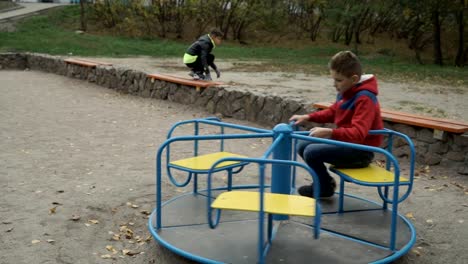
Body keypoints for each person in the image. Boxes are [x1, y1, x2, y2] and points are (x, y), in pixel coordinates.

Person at [289, 51, 384, 198]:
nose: (334, 85)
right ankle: (324, 183)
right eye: (333, 80)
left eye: (338, 80)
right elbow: (333, 112)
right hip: (346, 144)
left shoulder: (364, 98)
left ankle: (324, 186)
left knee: (311, 152)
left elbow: (358, 133)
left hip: (360, 152)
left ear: (354, 79)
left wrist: (330, 132)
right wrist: (308, 117)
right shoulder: (347, 91)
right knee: (302, 145)